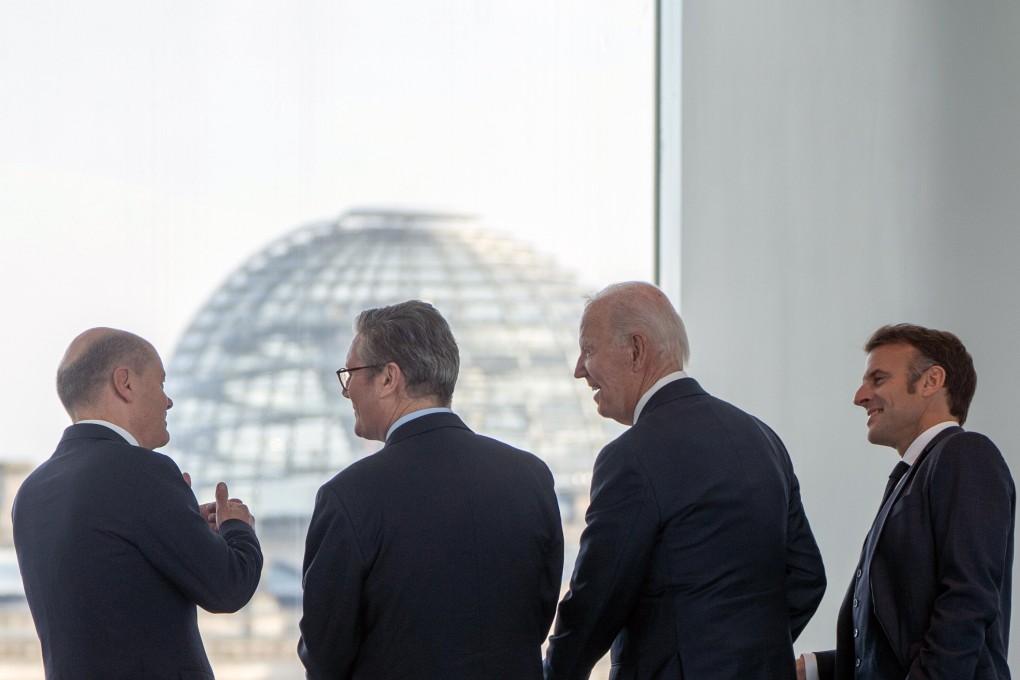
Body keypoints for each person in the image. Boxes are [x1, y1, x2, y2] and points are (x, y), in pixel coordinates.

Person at [543, 281, 826, 680]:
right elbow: (807, 576)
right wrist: (745, 656)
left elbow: (596, 601)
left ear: (636, 350)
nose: (578, 369)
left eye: (588, 349)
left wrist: (554, 673)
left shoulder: (632, 456)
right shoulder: (762, 438)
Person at [298, 300, 564, 680]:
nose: (346, 391)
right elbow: (537, 618)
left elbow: (325, 655)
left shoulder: (348, 496)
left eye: (351, 373)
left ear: (390, 378)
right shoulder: (531, 477)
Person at [12, 327, 263, 680]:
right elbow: (228, 587)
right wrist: (237, 526)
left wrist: (187, 525)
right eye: (161, 383)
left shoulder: (31, 491)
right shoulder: (144, 472)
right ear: (125, 383)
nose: (168, 401)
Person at [797, 324, 1015, 680]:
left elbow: (965, 604)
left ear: (931, 381)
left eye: (878, 379)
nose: (860, 396)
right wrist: (811, 669)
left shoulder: (965, 453)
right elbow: (897, 642)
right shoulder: (919, 471)